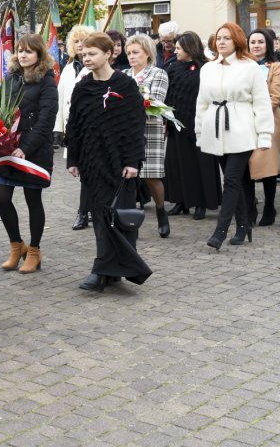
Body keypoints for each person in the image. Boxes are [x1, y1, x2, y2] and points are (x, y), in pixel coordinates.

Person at [66, 33, 151, 292]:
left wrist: (133, 161)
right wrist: (74, 158)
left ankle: (108, 269)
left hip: (120, 163)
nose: (87, 58)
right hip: (93, 162)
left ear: (108, 53)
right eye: (83, 55)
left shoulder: (125, 85)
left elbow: (136, 126)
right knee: (100, 215)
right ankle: (104, 269)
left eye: (92, 54)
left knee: (117, 217)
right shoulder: (82, 87)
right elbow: (75, 126)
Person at [196, 22, 274, 249]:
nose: (221, 42)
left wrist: (265, 135)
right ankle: (243, 226)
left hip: (241, 129)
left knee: (230, 180)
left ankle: (220, 231)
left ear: (237, 41)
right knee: (235, 181)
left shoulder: (249, 67)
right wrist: (200, 131)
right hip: (215, 129)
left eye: (226, 38)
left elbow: (262, 102)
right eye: (219, 38)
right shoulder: (208, 68)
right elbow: (201, 103)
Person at [0, 34, 58, 274]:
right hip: (7, 148)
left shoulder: (47, 82)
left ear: (39, 54)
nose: (23, 55)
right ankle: (16, 245)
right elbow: (0, 111)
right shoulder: (10, 78)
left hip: (33, 151)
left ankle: (34, 251)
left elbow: (45, 121)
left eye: (29, 51)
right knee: (1, 196)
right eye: (20, 51)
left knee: (33, 200)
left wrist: (25, 148)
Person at [164, 31, 221, 220]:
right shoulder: (172, 68)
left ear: (190, 48)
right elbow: (168, 94)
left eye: (179, 48)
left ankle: (201, 202)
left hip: (199, 125)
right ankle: (181, 201)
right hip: (177, 125)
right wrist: (167, 119)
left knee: (199, 165)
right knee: (177, 164)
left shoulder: (206, 68)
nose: (176, 51)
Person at [124, 34, 172, 238]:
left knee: (151, 176)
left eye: (136, 52)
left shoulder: (158, 73)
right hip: (126, 132)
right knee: (126, 176)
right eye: (128, 53)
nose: (131, 57)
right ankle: (126, 219)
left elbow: (157, 101)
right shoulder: (123, 74)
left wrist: (137, 98)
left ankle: (161, 212)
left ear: (148, 53)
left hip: (149, 128)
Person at [54, 24, 94, 230]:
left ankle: (83, 212)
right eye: (76, 41)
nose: (79, 45)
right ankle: (87, 210)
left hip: (90, 126)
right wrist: (59, 128)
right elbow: (61, 99)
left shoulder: (93, 68)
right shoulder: (69, 68)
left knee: (87, 172)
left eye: (83, 41)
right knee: (81, 171)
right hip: (73, 127)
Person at [244, 28, 280, 227]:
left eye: (260, 42)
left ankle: (269, 207)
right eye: (253, 42)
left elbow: (275, 96)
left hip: (269, 120)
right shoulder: (242, 66)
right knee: (245, 164)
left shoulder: (275, 67)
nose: (256, 46)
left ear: (268, 44)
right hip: (244, 122)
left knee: (267, 165)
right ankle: (250, 206)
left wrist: (258, 113)